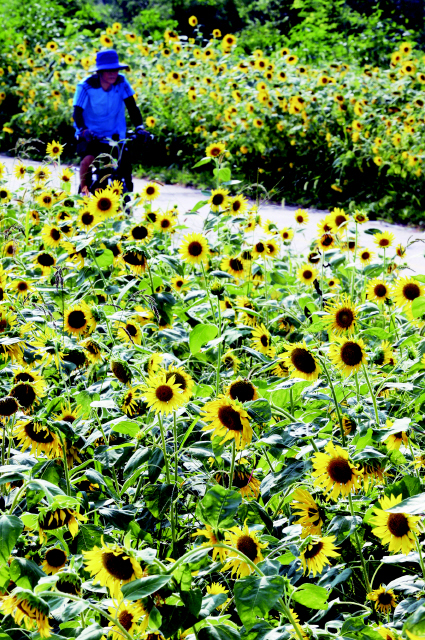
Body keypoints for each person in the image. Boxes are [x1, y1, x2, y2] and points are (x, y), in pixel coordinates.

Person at [72, 49, 150, 195]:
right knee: (88, 160)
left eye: (115, 70)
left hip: (115, 134)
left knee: (124, 166)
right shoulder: (85, 86)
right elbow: (77, 112)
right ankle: (84, 193)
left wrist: (140, 127)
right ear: (99, 72)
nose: (113, 74)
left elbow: (132, 107)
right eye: (108, 71)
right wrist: (83, 129)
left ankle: (126, 200)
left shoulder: (121, 82)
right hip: (90, 133)